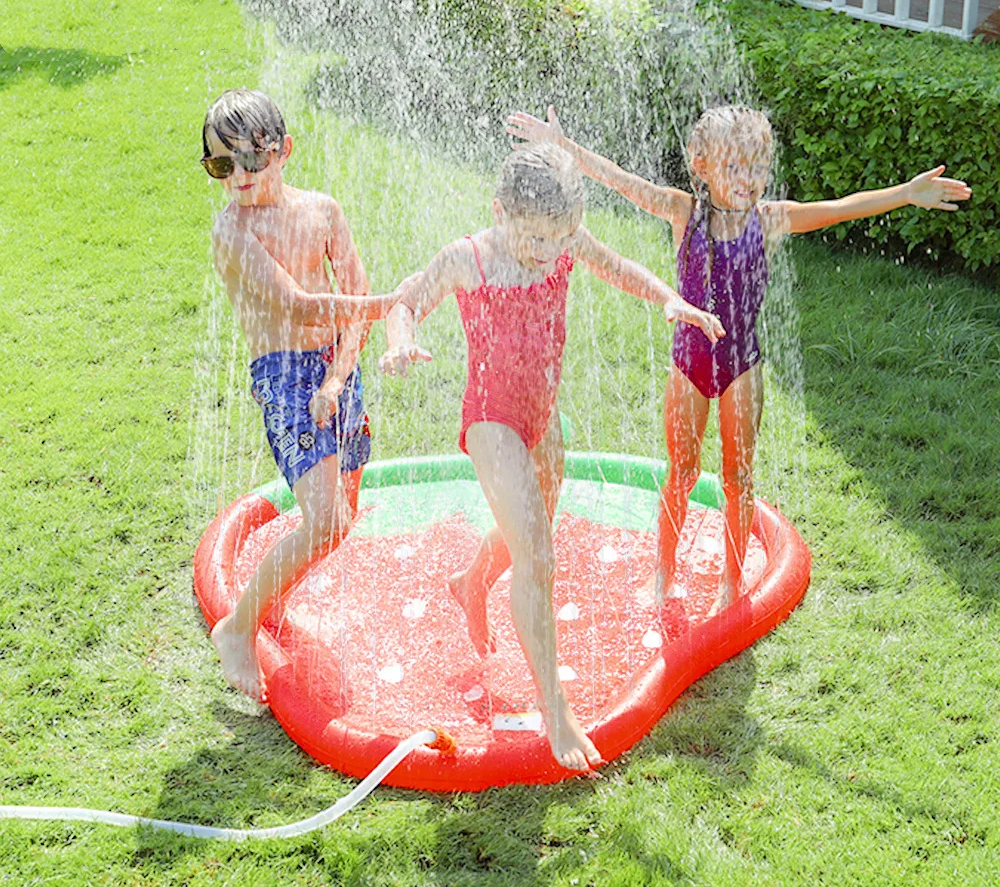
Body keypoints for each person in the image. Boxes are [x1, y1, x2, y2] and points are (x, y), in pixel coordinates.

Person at [507, 104, 971, 614]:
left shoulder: (768, 220)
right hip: (688, 366)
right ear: (702, 166)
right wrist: (563, 146)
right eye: (734, 168)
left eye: (757, 168)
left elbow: (840, 207)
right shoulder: (684, 212)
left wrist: (906, 193)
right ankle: (662, 573)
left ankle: (731, 584)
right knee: (681, 474)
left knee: (738, 478)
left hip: (742, 368)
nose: (748, 180)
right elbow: (621, 181)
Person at [378, 142, 724, 771]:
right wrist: (401, 341)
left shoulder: (564, 239)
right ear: (500, 211)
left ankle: (471, 581)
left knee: (528, 538)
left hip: (544, 416)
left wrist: (666, 298)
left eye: (559, 237)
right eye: (534, 237)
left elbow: (616, 266)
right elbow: (406, 303)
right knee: (539, 557)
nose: (546, 250)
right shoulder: (469, 258)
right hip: (493, 421)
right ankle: (556, 711)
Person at [203, 89, 402, 701]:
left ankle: (271, 601)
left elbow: (354, 299)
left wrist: (339, 378)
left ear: (283, 150)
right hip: (284, 376)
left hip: (337, 366)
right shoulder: (232, 230)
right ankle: (237, 628)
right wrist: (396, 303)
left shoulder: (322, 212)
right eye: (220, 165)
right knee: (326, 521)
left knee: (339, 521)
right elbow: (298, 305)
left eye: (250, 159)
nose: (237, 176)